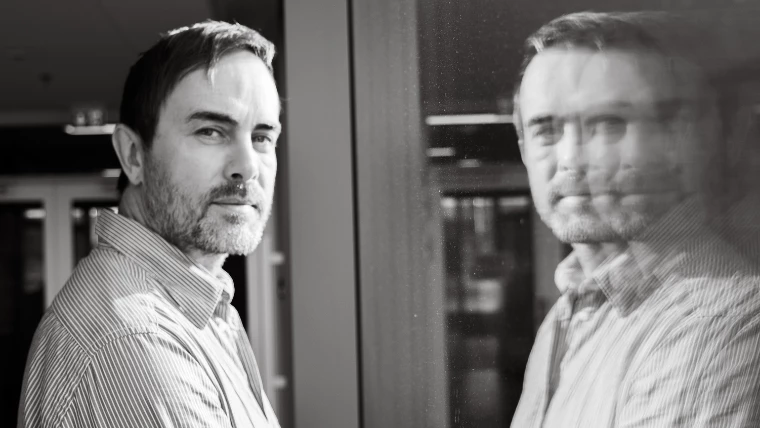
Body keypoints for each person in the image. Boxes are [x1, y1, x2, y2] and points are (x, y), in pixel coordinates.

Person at [18, 21, 282, 428]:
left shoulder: (193, 306)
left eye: (262, 137)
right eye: (211, 131)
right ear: (133, 155)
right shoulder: (136, 339)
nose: (247, 167)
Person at [510, 11, 760, 427]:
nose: (571, 160)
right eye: (545, 130)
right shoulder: (569, 313)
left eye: (608, 124)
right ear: (522, 148)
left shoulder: (717, 322)